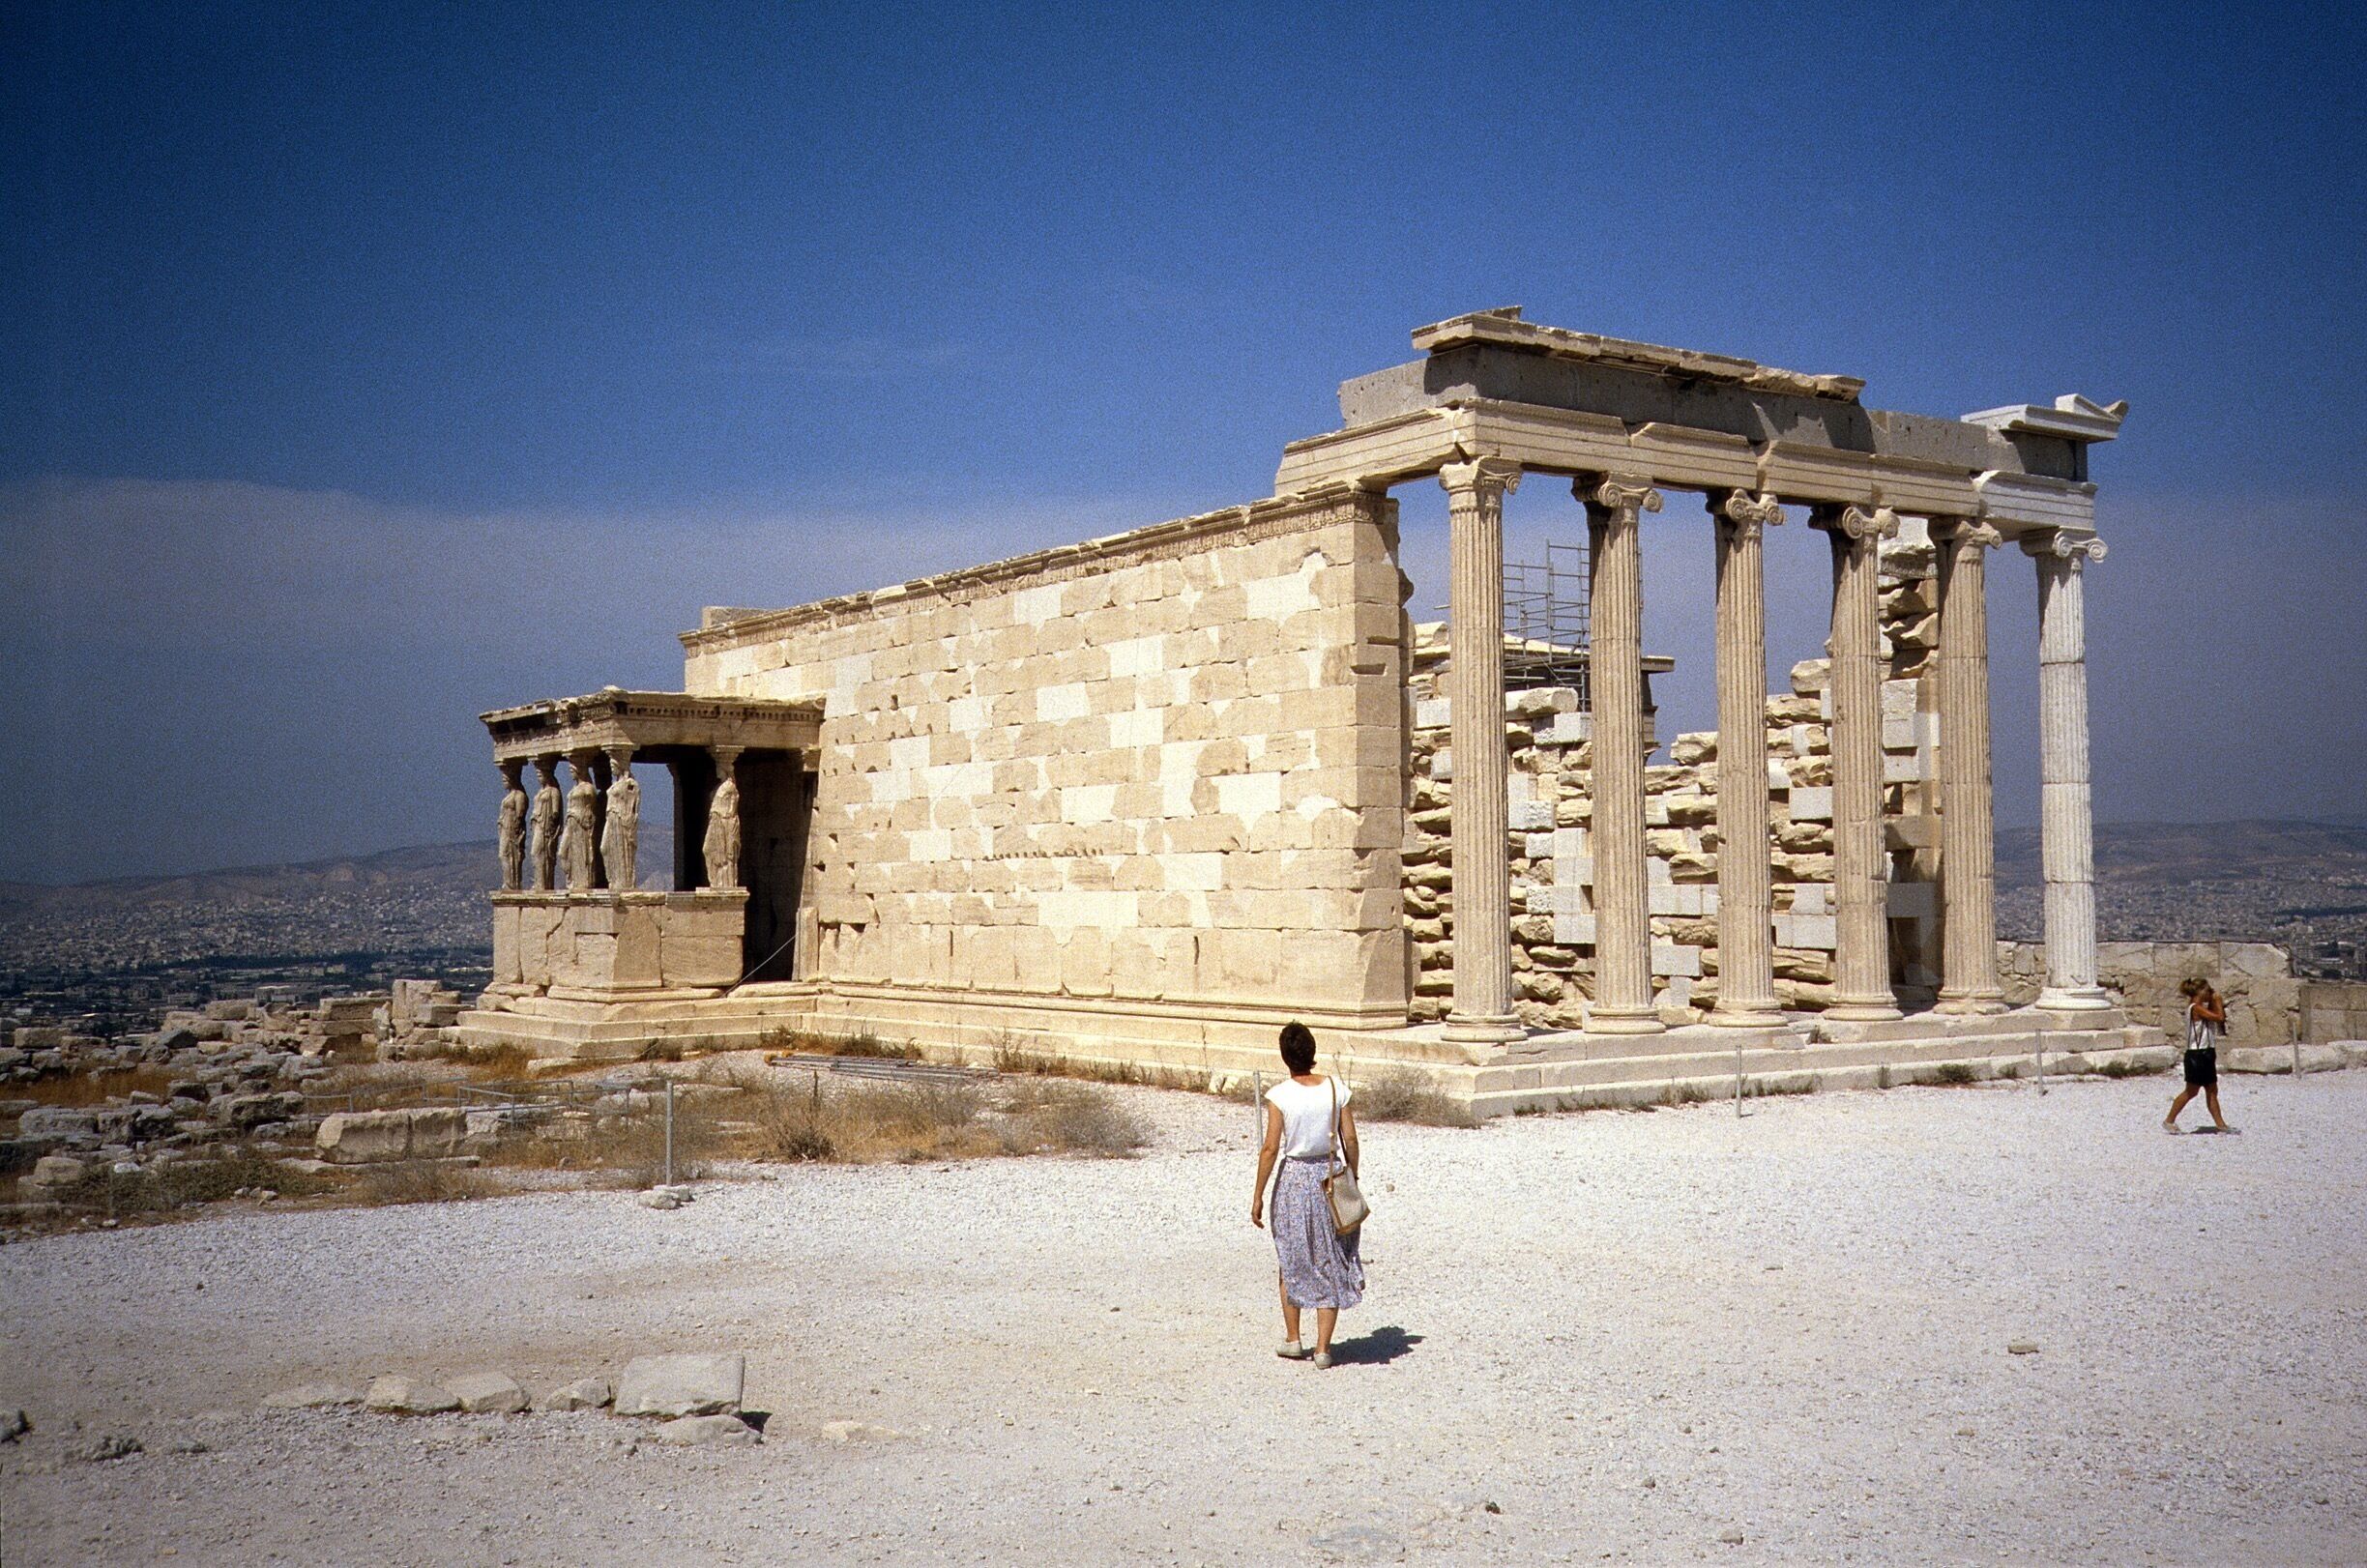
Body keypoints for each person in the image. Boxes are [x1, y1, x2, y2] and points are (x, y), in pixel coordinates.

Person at [1250, 1021, 1363, 1367]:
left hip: (1294, 1181)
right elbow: (1351, 1139)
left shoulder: (1280, 1095)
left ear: (1285, 1056)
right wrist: (1352, 1176)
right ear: (1312, 1051)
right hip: (1329, 1176)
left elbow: (1271, 1148)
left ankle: (1293, 1338)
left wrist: (1258, 1194)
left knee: (1292, 1255)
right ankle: (1323, 1349)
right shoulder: (1335, 1089)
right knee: (1330, 1256)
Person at [2165, 977, 2236, 1134]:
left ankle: (2221, 1125)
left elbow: (2213, 1016)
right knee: (2191, 1091)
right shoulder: (2195, 1008)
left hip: (2206, 1053)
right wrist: (2218, 1001)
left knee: (2212, 1090)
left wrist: (2213, 1001)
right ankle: (2169, 1120)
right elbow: (2219, 1017)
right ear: (2200, 992)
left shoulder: (2199, 1008)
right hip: (2197, 1055)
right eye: (2207, 990)